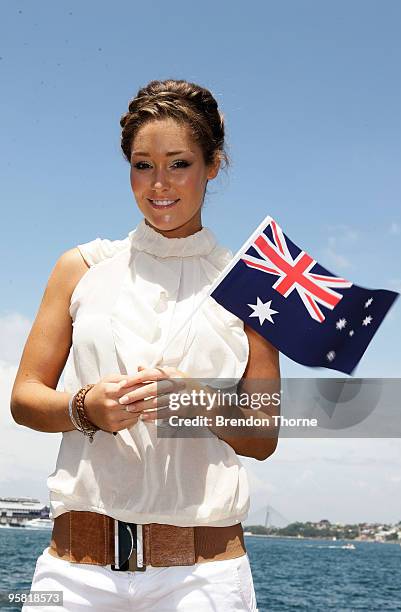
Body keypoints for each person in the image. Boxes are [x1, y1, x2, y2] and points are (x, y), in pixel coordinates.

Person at [11, 78, 280, 611]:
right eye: (142, 164)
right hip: (73, 578)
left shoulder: (254, 282)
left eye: (179, 163)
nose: (159, 183)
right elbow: (24, 398)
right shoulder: (80, 268)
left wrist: (197, 401)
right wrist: (84, 406)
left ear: (213, 165)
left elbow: (263, 434)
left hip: (204, 582)